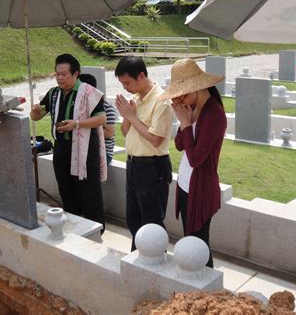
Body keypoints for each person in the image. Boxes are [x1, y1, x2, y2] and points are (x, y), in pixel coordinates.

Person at [157, 58, 227, 268]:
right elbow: (179, 144)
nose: (180, 102)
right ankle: (197, 287)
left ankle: (207, 291)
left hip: (201, 188)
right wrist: (183, 122)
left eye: (182, 96)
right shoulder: (193, 108)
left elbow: (196, 159)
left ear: (196, 89)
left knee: (198, 244)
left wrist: (187, 124)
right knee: (191, 240)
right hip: (186, 185)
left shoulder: (214, 114)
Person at [31, 54, 107, 231]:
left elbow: (101, 119)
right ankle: (74, 226)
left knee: (89, 191)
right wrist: (35, 112)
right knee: (65, 188)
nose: (59, 78)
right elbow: (37, 116)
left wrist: (77, 124)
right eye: (57, 74)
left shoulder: (89, 92)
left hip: (85, 148)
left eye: (64, 74)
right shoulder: (53, 94)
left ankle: (95, 230)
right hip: (61, 148)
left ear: (75, 74)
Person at [114, 56, 173, 251]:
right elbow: (125, 132)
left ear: (141, 76)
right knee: (134, 217)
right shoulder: (137, 99)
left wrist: (131, 116)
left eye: (127, 82)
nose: (125, 87)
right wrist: (127, 116)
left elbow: (156, 139)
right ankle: (138, 257)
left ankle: (155, 259)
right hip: (133, 164)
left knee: (151, 220)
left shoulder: (161, 101)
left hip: (152, 166)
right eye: (122, 83)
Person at [78, 73, 117, 165]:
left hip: (102, 153)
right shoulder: (79, 105)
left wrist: (83, 126)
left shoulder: (106, 107)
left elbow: (109, 133)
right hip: (83, 149)